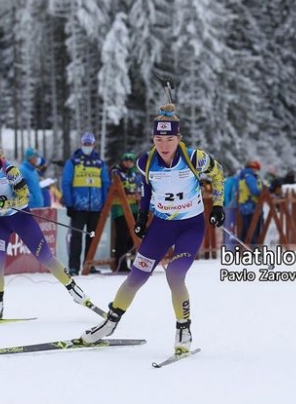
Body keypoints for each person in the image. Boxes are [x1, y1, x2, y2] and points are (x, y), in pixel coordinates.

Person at [80, 103, 225, 357]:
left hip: (190, 227)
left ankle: (184, 329)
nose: (164, 144)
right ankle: (110, 323)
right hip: (161, 227)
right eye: (159, 139)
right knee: (136, 277)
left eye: (169, 139)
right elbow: (147, 189)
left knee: (175, 275)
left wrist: (219, 205)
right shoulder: (145, 163)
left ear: (178, 138)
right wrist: (141, 215)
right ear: (153, 139)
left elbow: (218, 173)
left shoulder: (194, 158)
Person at [0, 137, 98, 320]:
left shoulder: (10, 170)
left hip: (20, 218)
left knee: (45, 257)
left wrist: (8, 202)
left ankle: (73, 289)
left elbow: (24, 196)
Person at [61, 132, 110, 275]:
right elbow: (66, 183)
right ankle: (74, 267)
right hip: (78, 207)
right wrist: (69, 204)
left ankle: (89, 265)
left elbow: (105, 184)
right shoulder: (73, 161)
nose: (87, 146)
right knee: (76, 237)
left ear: (94, 145)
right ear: (81, 144)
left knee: (92, 237)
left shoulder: (100, 163)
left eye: (90, 144)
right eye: (85, 144)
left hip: (95, 207)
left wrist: (104, 206)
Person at [110, 152, 142, 272]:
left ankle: (134, 262)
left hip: (132, 208)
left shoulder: (134, 174)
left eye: (130, 161)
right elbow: (115, 187)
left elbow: (139, 187)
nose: (128, 163)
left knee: (133, 237)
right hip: (119, 209)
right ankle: (121, 264)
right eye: (126, 161)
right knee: (121, 237)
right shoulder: (117, 172)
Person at [237, 160, 263, 245]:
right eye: (257, 169)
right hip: (252, 207)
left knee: (245, 231)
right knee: (253, 231)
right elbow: (255, 191)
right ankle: (254, 252)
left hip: (244, 207)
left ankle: (241, 251)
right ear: (253, 168)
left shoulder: (242, 176)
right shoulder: (250, 177)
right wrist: (264, 192)